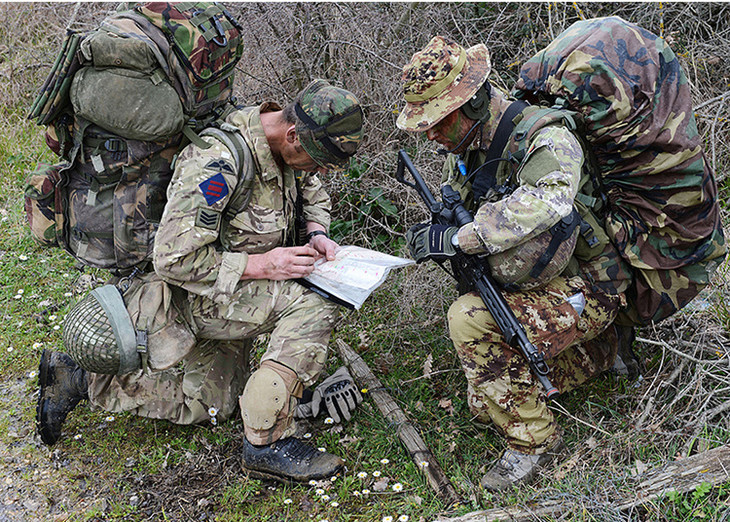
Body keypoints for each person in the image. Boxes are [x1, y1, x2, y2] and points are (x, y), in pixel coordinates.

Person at [37, 79, 365, 483]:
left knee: (212, 403)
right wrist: (264, 265)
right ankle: (267, 445)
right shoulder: (217, 165)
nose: (317, 171)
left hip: (236, 290)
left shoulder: (290, 146)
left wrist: (315, 231)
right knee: (312, 304)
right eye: (316, 160)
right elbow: (174, 259)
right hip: (193, 295)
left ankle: (78, 378)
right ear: (293, 134)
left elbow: (310, 187)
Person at [397, 36, 636, 491]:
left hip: (592, 285)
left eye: (436, 121)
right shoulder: (466, 148)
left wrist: (462, 237)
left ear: (471, 105)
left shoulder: (545, 135)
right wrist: (434, 235)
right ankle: (604, 353)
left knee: (468, 323)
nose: (429, 134)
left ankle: (535, 443)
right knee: (483, 400)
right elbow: (459, 207)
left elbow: (548, 199)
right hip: (539, 280)